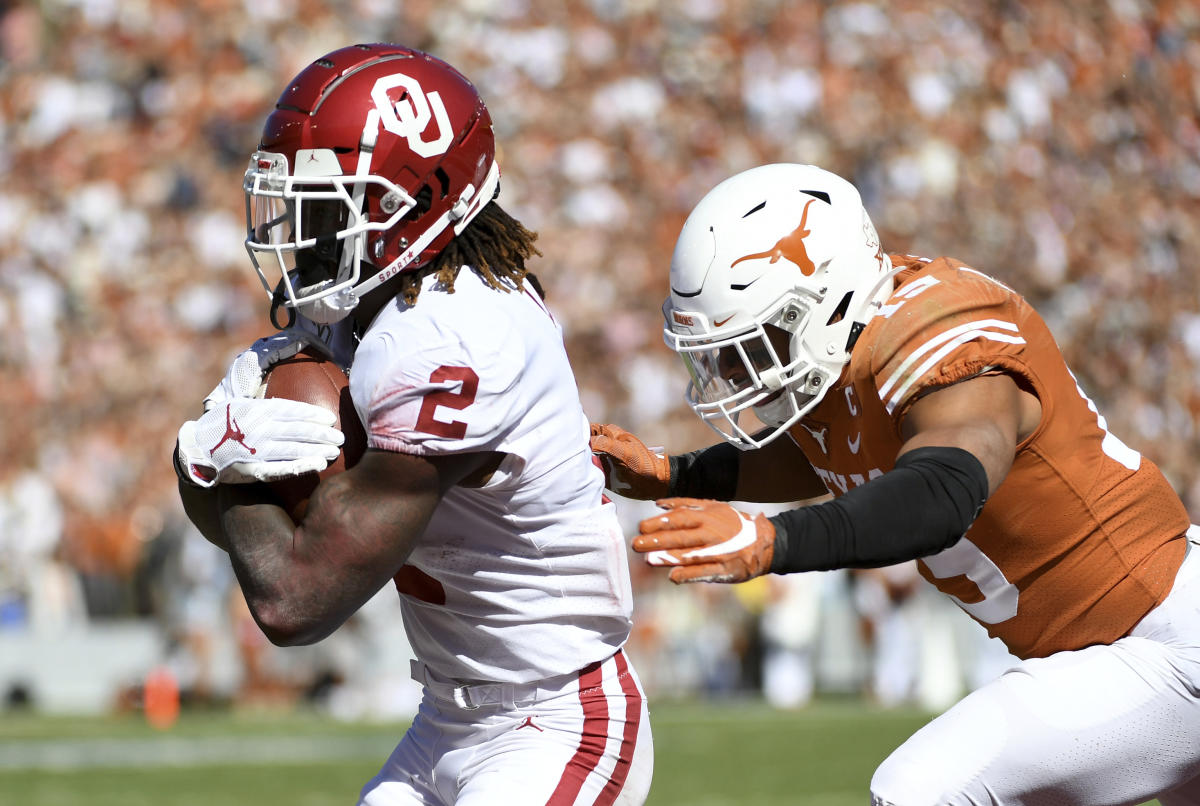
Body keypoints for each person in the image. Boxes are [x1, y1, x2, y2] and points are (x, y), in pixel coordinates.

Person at [589, 162, 1200, 804]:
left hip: (1162, 637)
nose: (740, 373)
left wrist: (773, 540)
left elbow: (942, 490)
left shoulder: (941, 334)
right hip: (1114, 647)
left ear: (824, 300)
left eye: (761, 341)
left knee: (920, 790)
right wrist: (678, 473)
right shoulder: (854, 350)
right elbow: (828, 454)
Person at [173, 43, 652, 806]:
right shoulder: (384, 310)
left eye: (328, 206)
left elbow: (295, 599)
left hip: (557, 721)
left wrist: (223, 468)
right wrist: (202, 465)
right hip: (445, 717)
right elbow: (264, 542)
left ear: (418, 200)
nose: (301, 232)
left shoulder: (446, 334)